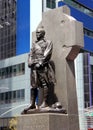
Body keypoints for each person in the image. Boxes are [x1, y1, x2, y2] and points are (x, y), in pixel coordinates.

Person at [25, 27, 55, 112]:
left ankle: (45, 102)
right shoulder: (34, 44)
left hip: (42, 66)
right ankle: (32, 104)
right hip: (34, 67)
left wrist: (41, 63)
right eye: (36, 33)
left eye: (38, 33)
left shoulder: (48, 42)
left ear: (43, 34)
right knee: (33, 85)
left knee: (45, 84)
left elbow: (47, 53)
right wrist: (29, 62)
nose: (37, 34)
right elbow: (30, 54)